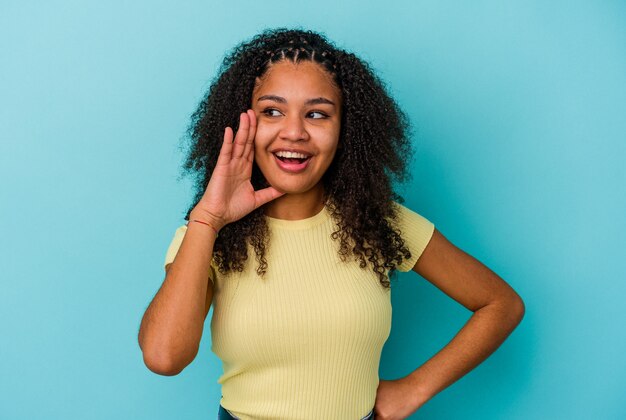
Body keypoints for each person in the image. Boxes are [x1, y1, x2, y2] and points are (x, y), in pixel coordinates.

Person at [138, 28, 525, 420]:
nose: (294, 132)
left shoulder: (380, 224)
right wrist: (207, 221)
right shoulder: (208, 236)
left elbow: (500, 304)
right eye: (272, 111)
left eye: (317, 114)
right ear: (243, 123)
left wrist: (414, 389)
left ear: (346, 130)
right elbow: (163, 356)